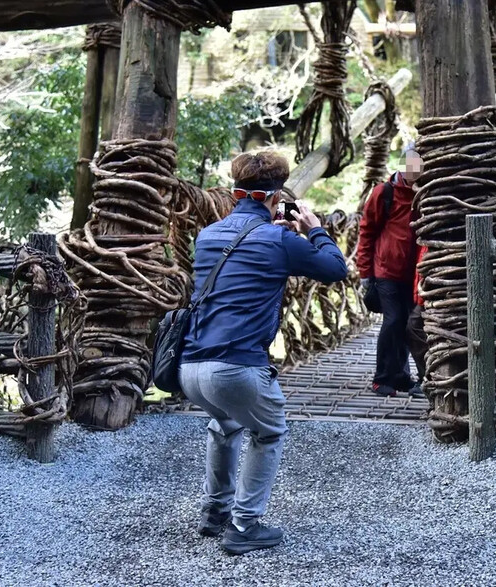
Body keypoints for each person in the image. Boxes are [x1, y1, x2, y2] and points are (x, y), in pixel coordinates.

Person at [180, 151, 348, 555]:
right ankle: (244, 526)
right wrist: (314, 228)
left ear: (237, 191)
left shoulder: (209, 235)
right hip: (236, 368)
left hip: (191, 367)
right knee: (268, 430)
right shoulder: (279, 238)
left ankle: (215, 512)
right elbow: (335, 269)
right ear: (276, 197)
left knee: (225, 424)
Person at [357, 145, 423, 398]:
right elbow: (367, 231)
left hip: (416, 274)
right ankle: (382, 378)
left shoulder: (426, 194)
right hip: (386, 270)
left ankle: (402, 377)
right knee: (394, 320)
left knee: (409, 325)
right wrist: (365, 272)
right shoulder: (384, 192)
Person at [406, 244, 429, 390]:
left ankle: (428, 376)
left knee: (413, 327)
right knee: (413, 327)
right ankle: (426, 376)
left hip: (432, 294)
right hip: (425, 293)